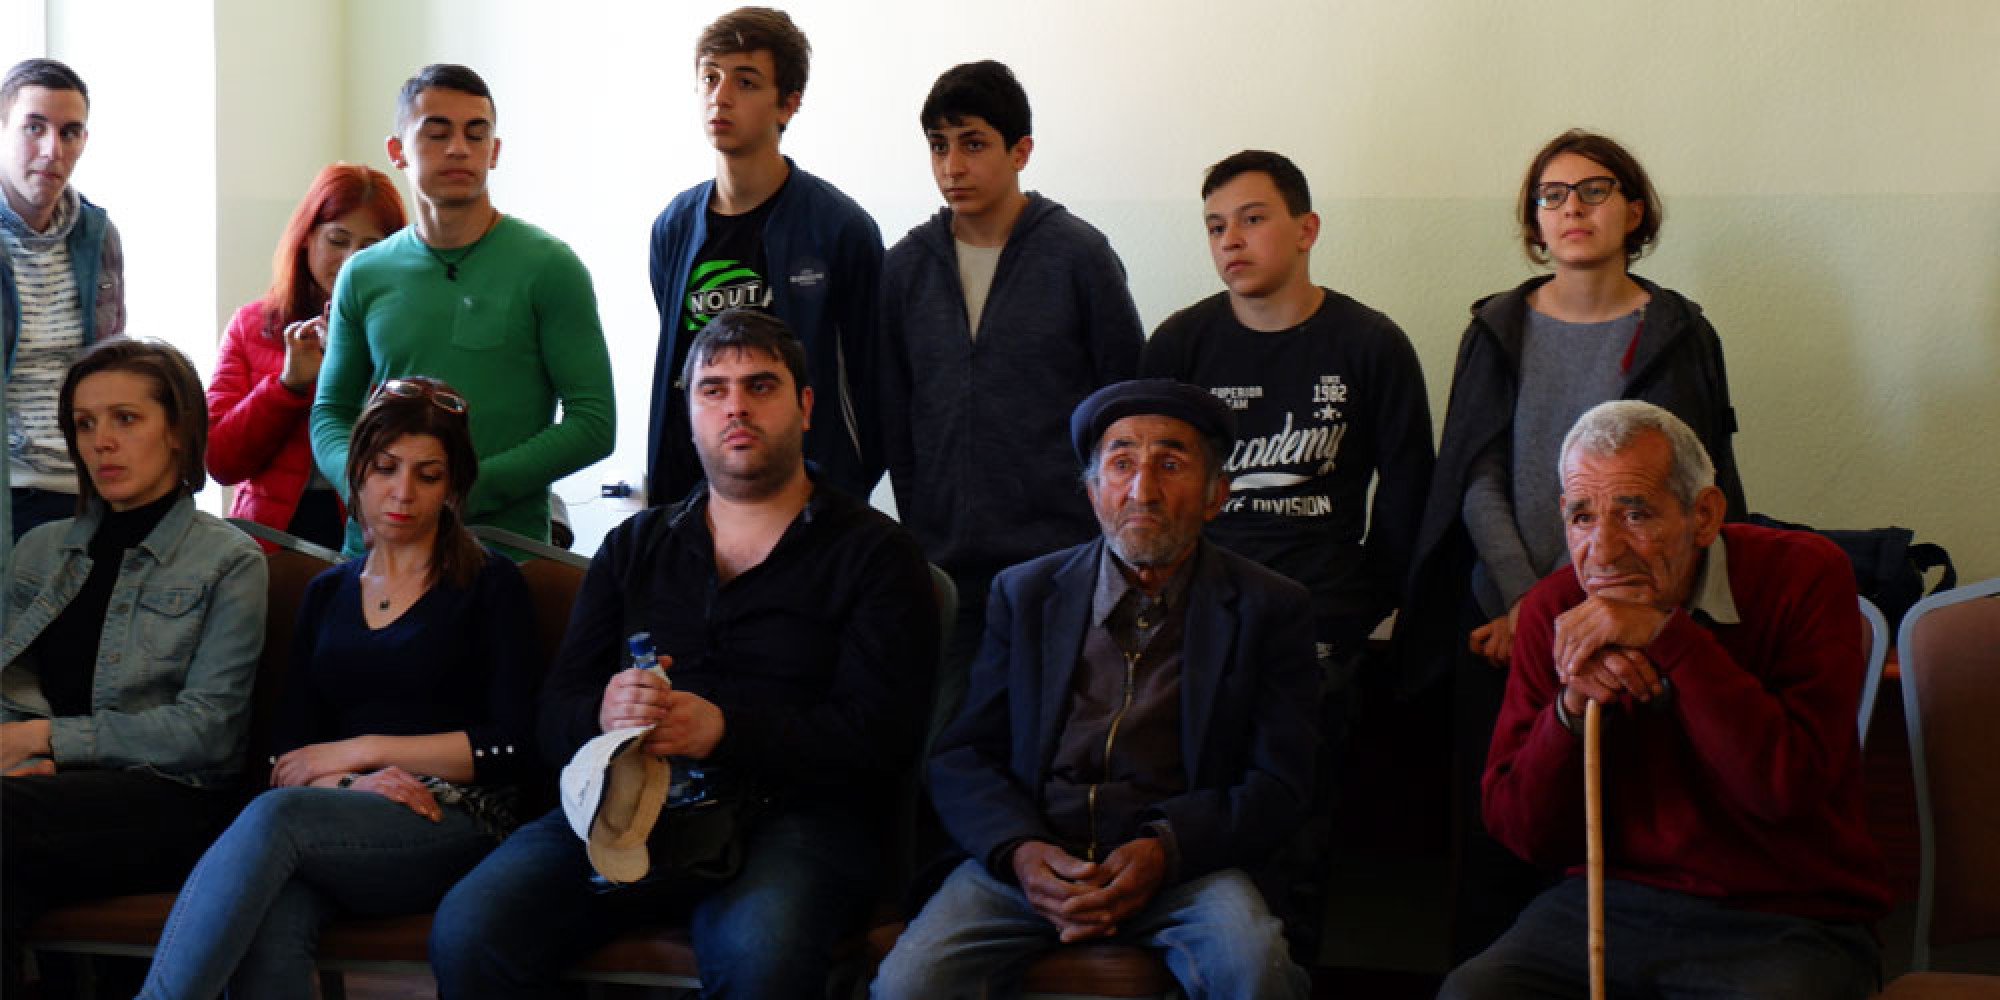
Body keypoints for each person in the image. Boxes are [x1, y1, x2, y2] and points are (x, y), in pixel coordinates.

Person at [431, 310, 936, 998]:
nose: (736, 407)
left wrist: (726, 730)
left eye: (761, 386)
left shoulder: (877, 553)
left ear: (805, 407)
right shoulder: (633, 547)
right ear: (691, 416)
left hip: (799, 819)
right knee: (471, 928)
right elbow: (553, 719)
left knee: (761, 955)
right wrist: (604, 712)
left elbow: (883, 737)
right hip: (630, 805)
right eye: (713, 389)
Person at [1403, 129, 1747, 956]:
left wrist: (1558, 604)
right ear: (1534, 220)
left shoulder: (1676, 331)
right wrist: (1527, 605)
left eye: (1594, 190)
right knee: (1500, 835)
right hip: (1497, 621)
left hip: (1634, 619)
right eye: (1551, 196)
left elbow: (1653, 498)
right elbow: (1474, 473)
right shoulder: (1496, 326)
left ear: (1635, 210)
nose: (1572, 208)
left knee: (1622, 835)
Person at [873, 379, 1317, 1000]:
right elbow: (963, 754)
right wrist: (1019, 850)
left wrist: (1165, 848)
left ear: (1217, 494)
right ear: (1092, 491)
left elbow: (1280, 781)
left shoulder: (1270, 607)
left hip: (1187, 869)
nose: (1142, 491)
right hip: (1034, 861)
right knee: (908, 984)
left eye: (1170, 465)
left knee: (1256, 969)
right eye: (1121, 464)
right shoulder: (1025, 593)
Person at [1438, 400, 1888, 999]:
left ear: (1704, 515)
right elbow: (1523, 833)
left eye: (1635, 514)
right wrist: (1567, 714)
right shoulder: (1555, 610)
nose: (1603, 551)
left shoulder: (1805, 576)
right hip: (1609, 901)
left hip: (1789, 915)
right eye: (1581, 517)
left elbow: (1785, 789)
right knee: (1475, 992)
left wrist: (1669, 637)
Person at [138, 376, 538, 999]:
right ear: (357, 473)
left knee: (276, 819)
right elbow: (287, 756)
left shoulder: (492, 584)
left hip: (457, 821)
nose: (402, 492)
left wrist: (363, 750)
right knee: (274, 916)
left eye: (428, 475)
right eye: (385, 468)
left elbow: (512, 746)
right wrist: (352, 783)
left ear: (453, 487)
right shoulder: (326, 593)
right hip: (337, 818)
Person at [881, 58, 1144, 738]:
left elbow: (1126, 406)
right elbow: (895, 415)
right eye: (938, 146)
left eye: (973, 143)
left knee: (1059, 743)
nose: (952, 166)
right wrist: (923, 526)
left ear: (1020, 150)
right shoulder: (905, 268)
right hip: (946, 566)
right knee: (947, 745)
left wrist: (1109, 537)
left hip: (1065, 560)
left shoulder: (1079, 256)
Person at [1, 337, 265, 994]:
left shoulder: (229, 560)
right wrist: (25, 754)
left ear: (177, 431)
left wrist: (47, 740)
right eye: (85, 424)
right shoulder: (39, 550)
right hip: (38, 793)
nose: (102, 443)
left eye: (125, 418)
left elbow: (210, 732)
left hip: (174, 799)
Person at [310, 63, 614, 556]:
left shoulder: (549, 267)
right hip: (375, 558)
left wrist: (462, 490)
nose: (458, 148)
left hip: (500, 557)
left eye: (476, 134)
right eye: (437, 133)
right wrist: (369, 488)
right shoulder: (363, 274)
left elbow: (594, 422)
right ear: (397, 151)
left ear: (494, 151)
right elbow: (330, 414)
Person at [647, 7, 883, 505]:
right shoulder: (674, 227)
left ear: (788, 104)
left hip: (811, 508)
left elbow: (873, 388)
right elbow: (680, 371)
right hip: (695, 503)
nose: (721, 96)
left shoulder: (839, 228)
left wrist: (839, 499)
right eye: (710, 77)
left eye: (746, 81)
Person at [207, 163, 406, 550]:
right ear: (306, 239)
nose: (351, 260)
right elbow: (221, 461)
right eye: (337, 240)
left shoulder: (403, 330)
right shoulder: (253, 325)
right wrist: (287, 385)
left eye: (370, 248)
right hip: (266, 543)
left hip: (373, 534)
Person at [4, 58, 125, 550]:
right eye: (34, 128)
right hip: (11, 485)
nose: (52, 150)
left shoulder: (97, 233)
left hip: (86, 482)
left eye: (69, 132)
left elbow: (111, 363)